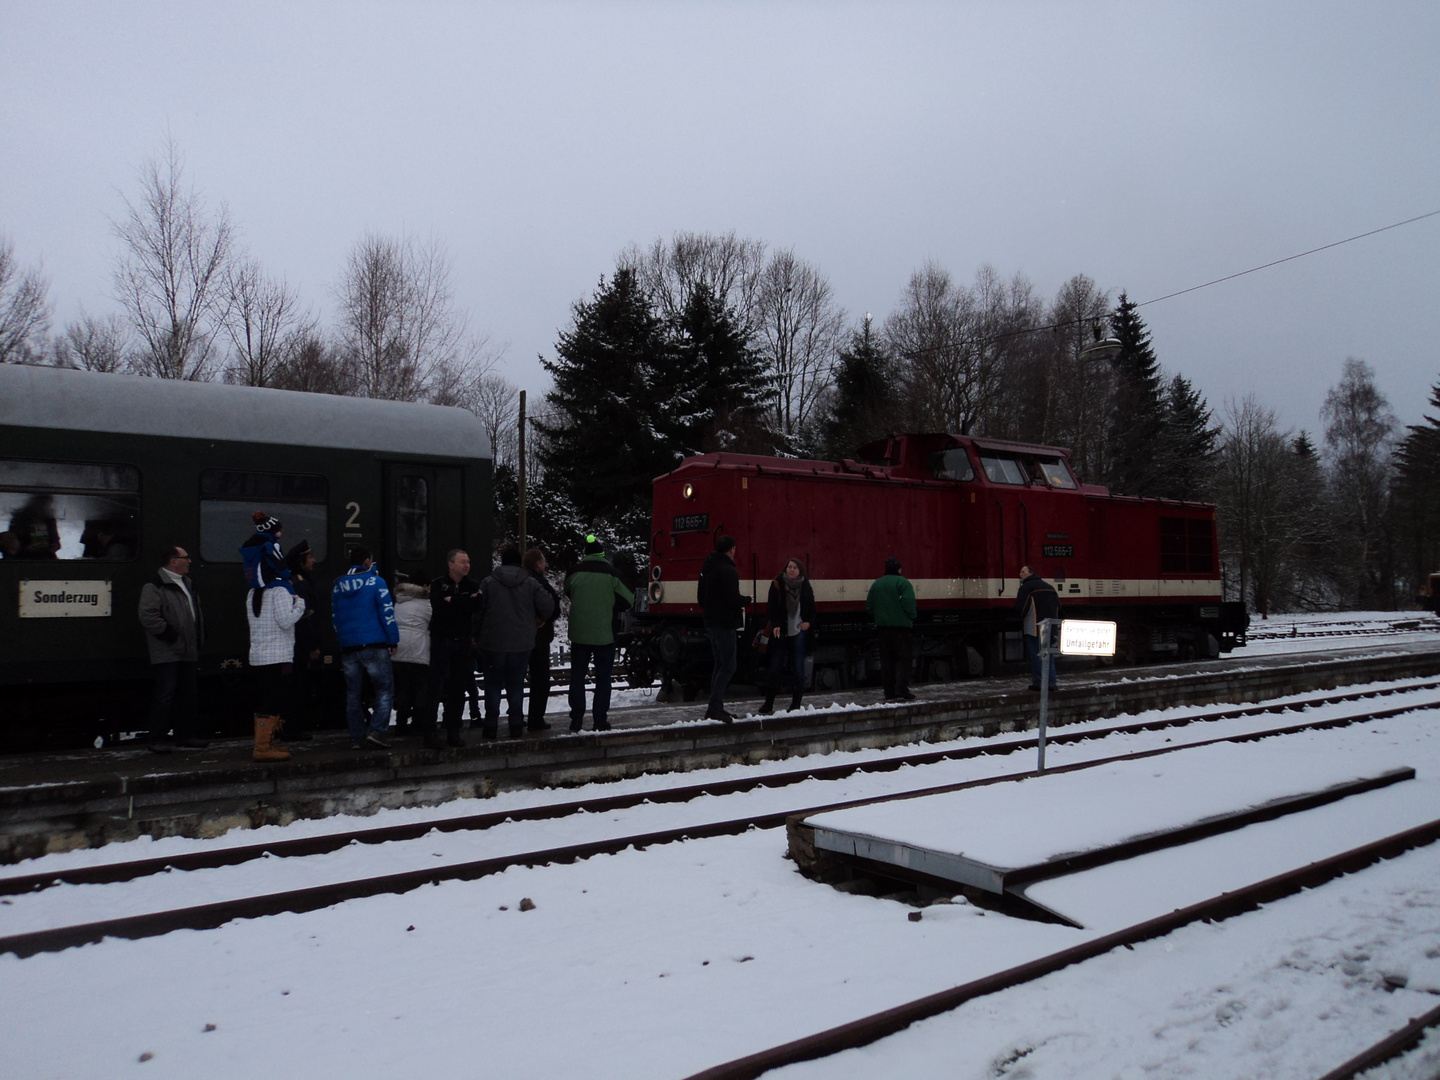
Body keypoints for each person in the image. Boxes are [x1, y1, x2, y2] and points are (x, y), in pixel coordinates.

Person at [136, 545, 209, 753]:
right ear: (173, 560)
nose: (190, 561)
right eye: (185, 557)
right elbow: (148, 616)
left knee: (188, 694)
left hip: (189, 649)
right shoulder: (155, 585)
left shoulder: (187, 583)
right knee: (165, 695)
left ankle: (185, 735)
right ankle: (157, 738)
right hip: (168, 650)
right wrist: (171, 635)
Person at [477, 545, 556, 738]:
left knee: (493, 684)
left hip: (493, 642)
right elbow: (548, 605)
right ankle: (515, 725)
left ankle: (491, 726)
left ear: (501, 562)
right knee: (516, 684)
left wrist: (476, 635)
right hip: (522, 643)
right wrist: (540, 620)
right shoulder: (530, 583)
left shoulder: (488, 583)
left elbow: (477, 611)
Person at [331, 545, 399, 750]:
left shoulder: (338, 585)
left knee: (353, 694)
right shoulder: (376, 582)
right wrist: (393, 639)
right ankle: (377, 732)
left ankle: (356, 738)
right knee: (384, 689)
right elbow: (386, 613)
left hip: (348, 647)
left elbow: (335, 617)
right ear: (367, 562)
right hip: (374, 645)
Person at [564, 534, 634, 732]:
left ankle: (576, 718)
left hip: (579, 635)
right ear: (602, 554)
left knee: (577, 676)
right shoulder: (612, 573)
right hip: (605, 635)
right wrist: (612, 605)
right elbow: (628, 600)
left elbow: (568, 591)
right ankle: (599, 720)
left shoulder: (574, 572)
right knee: (603, 679)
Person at [246, 573, 305, 762]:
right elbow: (285, 621)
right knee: (273, 699)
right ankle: (263, 748)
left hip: (259, 656)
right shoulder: (279, 591)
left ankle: (267, 743)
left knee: (268, 698)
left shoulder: (253, 592)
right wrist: (299, 605)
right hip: (277, 655)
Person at [426, 549, 481, 749]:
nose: (467, 565)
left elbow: (477, 605)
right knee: (436, 687)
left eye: (468, 561)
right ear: (451, 564)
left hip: (463, 642)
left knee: (459, 688)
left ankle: (454, 730)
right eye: (462, 562)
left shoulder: (473, 585)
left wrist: (455, 601)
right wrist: (463, 603)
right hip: (442, 640)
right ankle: (430, 731)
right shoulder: (439, 584)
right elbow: (439, 607)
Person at [697, 534, 747, 723]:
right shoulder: (728, 571)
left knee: (719, 664)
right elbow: (732, 599)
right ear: (732, 549)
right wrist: (747, 600)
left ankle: (716, 706)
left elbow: (701, 598)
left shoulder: (707, 569)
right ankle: (714, 707)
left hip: (711, 622)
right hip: (726, 623)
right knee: (729, 665)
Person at [759, 557, 815, 714]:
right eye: (789, 567)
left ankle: (796, 705)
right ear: (785, 569)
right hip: (781, 633)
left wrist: (808, 623)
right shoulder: (777, 584)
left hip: (799, 633)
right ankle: (768, 703)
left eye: (795, 567)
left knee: (798, 668)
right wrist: (776, 624)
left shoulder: (805, 587)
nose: (791, 570)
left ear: (800, 571)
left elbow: (811, 608)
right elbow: (771, 608)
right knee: (774, 668)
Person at [283, 540, 321, 740]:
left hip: (292, 644)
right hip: (298, 646)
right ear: (301, 562)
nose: (313, 561)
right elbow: (305, 619)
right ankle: (293, 729)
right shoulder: (301, 583)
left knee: (291, 687)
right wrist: (312, 646)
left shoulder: (291, 580)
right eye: (310, 558)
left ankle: (289, 727)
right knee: (297, 687)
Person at [867, 556, 917, 701]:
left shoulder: (877, 584)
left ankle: (889, 692)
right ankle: (901, 689)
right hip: (901, 628)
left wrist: (881, 616)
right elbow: (909, 605)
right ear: (899, 569)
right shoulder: (903, 583)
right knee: (904, 659)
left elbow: (869, 606)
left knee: (886, 660)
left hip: (883, 629)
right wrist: (911, 616)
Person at [523, 547, 561, 731]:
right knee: (540, 679)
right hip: (538, 637)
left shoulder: (520, 581)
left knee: (515, 679)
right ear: (538, 564)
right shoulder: (540, 583)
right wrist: (543, 619)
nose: (545, 565)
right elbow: (554, 607)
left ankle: (516, 716)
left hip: (518, 636)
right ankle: (535, 718)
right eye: (543, 561)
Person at [391, 578, 432, 735]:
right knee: (421, 688)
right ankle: (417, 722)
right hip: (417, 650)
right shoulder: (426, 604)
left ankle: (401, 724)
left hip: (398, 649)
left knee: (403, 689)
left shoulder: (399, 602)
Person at [1016, 565, 1061, 691]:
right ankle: (1052, 682)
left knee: (1036, 654)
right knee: (1048, 654)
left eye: (1023, 571)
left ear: (1030, 573)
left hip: (1034, 626)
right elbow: (1059, 606)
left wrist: (1019, 619)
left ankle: (1039, 682)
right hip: (1050, 626)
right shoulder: (1050, 587)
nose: (1020, 574)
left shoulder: (1026, 588)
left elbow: (1021, 607)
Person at [240, 511, 292, 593]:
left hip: (256, 585)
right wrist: (287, 576)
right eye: (278, 531)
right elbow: (278, 564)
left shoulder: (251, 547)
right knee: (290, 589)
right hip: (271, 582)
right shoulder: (269, 545)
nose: (280, 533)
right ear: (272, 532)